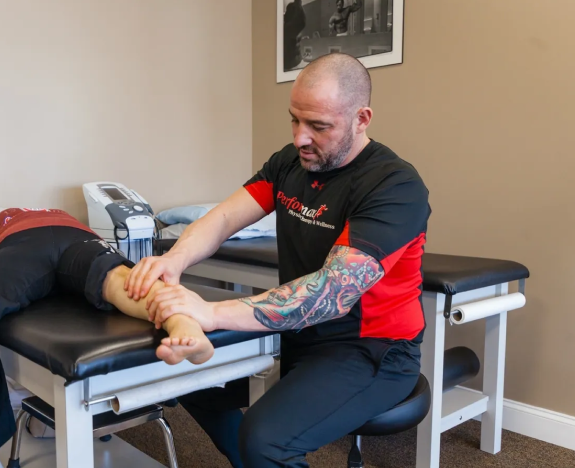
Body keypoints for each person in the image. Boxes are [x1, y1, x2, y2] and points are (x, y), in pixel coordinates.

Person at [125, 53, 431, 468]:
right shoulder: (289, 162)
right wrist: (175, 260)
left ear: (362, 118)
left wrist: (211, 312)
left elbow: (332, 293)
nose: (300, 137)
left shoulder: (394, 185)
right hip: (300, 334)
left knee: (266, 441)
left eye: (318, 127)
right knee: (189, 378)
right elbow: (224, 218)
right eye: (294, 120)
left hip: (372, 351)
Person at [0, 208, 213, 468]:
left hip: (77, 239)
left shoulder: (21, 219)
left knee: (126, 281)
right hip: (23, 248)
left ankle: (184, 325)